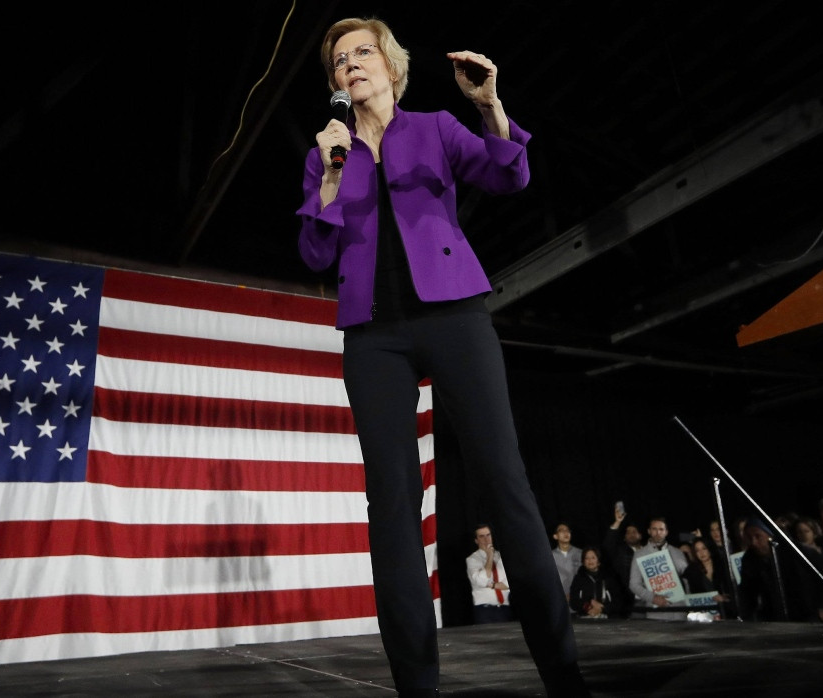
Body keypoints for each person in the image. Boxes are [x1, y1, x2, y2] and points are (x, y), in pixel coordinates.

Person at [296, 17, 585, 696]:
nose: (350, 66)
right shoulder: (325, 153)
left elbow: (509, 174)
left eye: (361, 52)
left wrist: (487, 104)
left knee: (505, 483)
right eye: (339, 61)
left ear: (391, 66)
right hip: (373, 337)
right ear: (334, 83)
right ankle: (417, 687)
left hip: (454, 316)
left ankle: (564, 675)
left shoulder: (432, 128)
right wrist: (331, 178)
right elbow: (315, 253)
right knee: (391, 506)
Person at [736, 518, 823, 623]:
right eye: (749, 538)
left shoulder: (795, 551)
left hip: (809, 614)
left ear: (770, 535)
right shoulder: (750, 559)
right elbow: (747, 591)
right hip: (776, 620)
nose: (754, 542)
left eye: (758, 536)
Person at [628, 517, 689, 609]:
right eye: (654, 529)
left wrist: (688, 602)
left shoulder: (677, 552)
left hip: (679, 607)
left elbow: (687, 580)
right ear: (649, 531)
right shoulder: (639, 554)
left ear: (666, 532)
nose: (658, 533)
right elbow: (634, 584)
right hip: (655, 610)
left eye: (661, 529)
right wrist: (653, 598)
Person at [465, 524, 513, 624]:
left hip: (505, 608)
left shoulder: (502, 557)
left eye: (488, 535)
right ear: (476, 540)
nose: (486, 539)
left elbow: (510, 582)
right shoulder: (473, 559)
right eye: (481, 536)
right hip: (484, 609)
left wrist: (492, 585)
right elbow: (481, 581)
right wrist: (489, 556)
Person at [682, 537, 735, 617]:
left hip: (727, 611)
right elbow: (691, 595)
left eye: (704, 548)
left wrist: (725, 598)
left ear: (710, 549)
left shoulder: (722, 565)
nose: (701, 553)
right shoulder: (691, 570)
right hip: (705, 614)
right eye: (697, 550)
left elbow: (733, 588)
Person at [569, 547, 625, 619]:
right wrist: (588, 606)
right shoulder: (578, 579)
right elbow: (573, 602)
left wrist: (602, 608)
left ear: (598, 561)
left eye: (593, 557)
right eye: (587, 558)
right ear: (583, 562)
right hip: (584, 619)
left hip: (606, 619)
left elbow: (618, 602)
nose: (590, 561)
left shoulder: (609, 578)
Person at [552, 522, 584, 602]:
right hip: (559, 600)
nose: (566, 532)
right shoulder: (550, 556)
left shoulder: (581, 553)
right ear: (555, 536)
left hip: (579, 600)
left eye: (567, 530)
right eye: (561, 530)